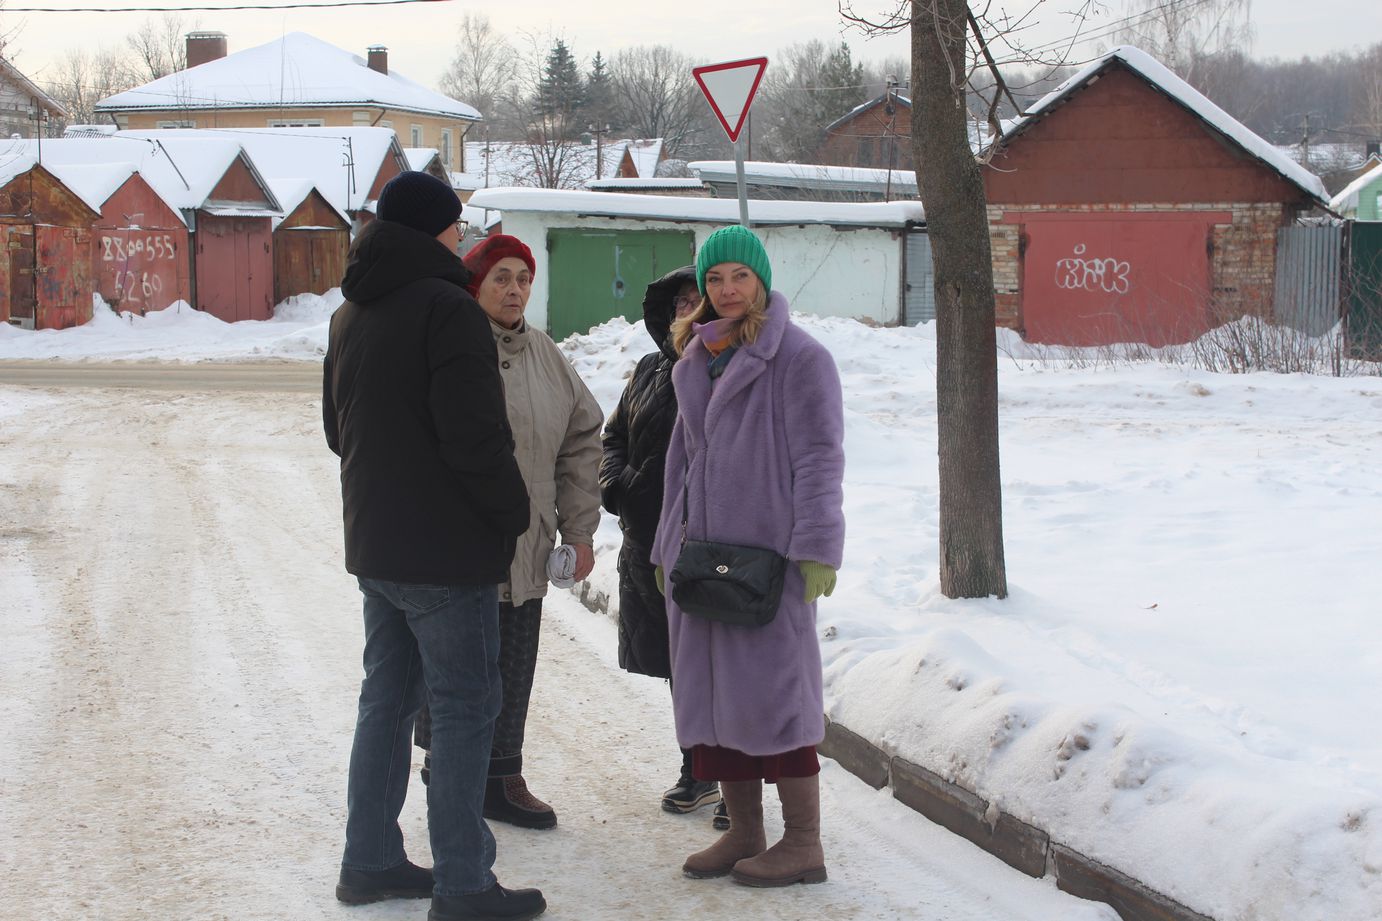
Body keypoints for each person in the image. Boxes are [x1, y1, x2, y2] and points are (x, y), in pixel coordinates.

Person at [323, 170, 546, 921]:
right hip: (447, 554)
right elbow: (476, 438)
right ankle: (463, 881)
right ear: (438, 230)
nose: (462, 235)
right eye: (456, 224)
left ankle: (372, 858)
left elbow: (336, 431)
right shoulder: (449, 309)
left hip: (379, 546)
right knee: (463, 708)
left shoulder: (352, 309)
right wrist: (511, 512)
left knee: (386, 700)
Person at [650, 225, 846, 888]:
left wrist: (817, 544)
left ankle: (803, 842)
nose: (727, 290)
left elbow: (821, 455)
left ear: (761, 279)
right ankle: (744, 830)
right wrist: (664, 544)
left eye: (738, 275)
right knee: (714, 695)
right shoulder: (694, 360)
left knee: (778, 695)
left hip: (770, 560)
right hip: (703, 559)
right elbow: (680, 461)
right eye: (714, 279)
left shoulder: (799, 357)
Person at [416, 233, 603, 830]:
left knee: (513, 664)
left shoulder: (547, 356)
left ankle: (502, 775)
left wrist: (578, 531)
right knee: (454, 667)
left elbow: (581, 440)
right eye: (501, 277)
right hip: (458, 544)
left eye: (523, 278)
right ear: (475, 284)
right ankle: (447, 768)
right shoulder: (451, 347)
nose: (515, 289)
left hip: (527, 543)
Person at [599, 267, 726, 825]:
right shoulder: (651, 370)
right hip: (648, 544)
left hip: (711, 546)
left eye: (697, 301)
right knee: (682, 666)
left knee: (725, 664)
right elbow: (614, 435)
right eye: (679, 302)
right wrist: (617, 486)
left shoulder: (728, 371)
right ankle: (698, 770)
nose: (688, 311)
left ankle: (742, 788)